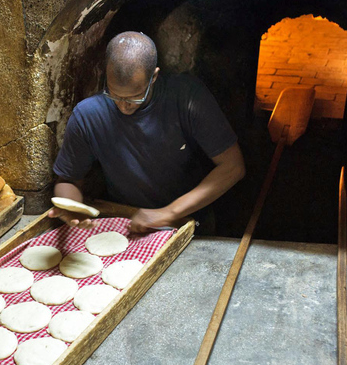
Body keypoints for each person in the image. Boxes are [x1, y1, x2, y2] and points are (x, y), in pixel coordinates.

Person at [50, 31, 245, 234]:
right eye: (114, 95)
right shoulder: (87, 115)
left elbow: (233, 167)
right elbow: (68, 180)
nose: (124, 106)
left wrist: (169, 212)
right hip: (128, 225)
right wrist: (70, 206)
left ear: (154, 77)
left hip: (189, 221)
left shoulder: (187, 98)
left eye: (134, 97)